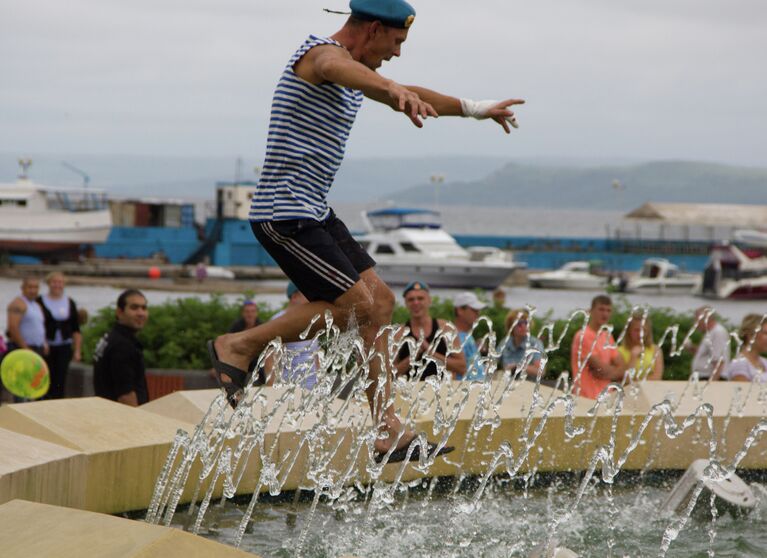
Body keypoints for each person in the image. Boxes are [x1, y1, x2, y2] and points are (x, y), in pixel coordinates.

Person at [208, 0, 522, 461]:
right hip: (284, 215)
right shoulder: (321, 56)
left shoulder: (356, 75)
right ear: (373, 29)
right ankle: (238, 344)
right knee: (355, 306)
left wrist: (475, 108)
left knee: (381, 305)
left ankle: (387, 430)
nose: (396, 54)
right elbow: (338, 65)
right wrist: (391, 87)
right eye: (395, 42)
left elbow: (409, 91)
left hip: (315, 212)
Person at [394, 281, 466, 380]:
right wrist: (412, 357)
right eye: (411, 299)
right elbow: (389, 374)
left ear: (429, 301)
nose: (416, 303)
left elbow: (462, 368)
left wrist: (431, 353)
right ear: (406, 303)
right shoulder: (398, 333)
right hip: (409, 392)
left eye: (420, 298)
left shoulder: (446, 328)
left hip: (442, 391)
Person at [92, 289, 149, 406]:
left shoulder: (110, 337)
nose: (141, 313)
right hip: (120, 418)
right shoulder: (123, 346)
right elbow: (125, 394)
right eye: (134, 308)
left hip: (104, 411)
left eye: (144, 308)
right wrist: (138, 422)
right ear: (119, 312)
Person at [570, 295, 632, 399]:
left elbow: (623, 369)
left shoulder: (607, 335)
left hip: (606, 398)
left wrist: (609, 371)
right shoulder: (583, 336)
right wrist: (613, 371)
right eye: (601, 309)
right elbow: (601, 369)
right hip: (584, 398)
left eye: (608, 310)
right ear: (590, 311)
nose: (605, 314)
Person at [264, 282, 320, 389]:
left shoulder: (312, 321)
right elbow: (270, 360)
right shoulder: (278, 321)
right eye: (307, 295)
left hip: (313, 390)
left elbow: (316, 357)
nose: (311, 299)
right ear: (294, 297)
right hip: (289, 390)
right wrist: (272, 391)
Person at [37, 272, 82, 399]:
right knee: (44, 378)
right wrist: (43, 341)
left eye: (60, 282)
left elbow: (76, 328)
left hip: (64, 345)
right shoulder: (40, 301)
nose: (57, 285)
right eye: (54, 282)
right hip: (47, 346)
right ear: (48, 284)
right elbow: (37, 324)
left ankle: (57, 403)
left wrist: (77, 350)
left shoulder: (69, 302)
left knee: (60, 379)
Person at [5, 277, 47, 357]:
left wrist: (44, 343)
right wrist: (25, 348)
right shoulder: (18, 303)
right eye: (30, 287)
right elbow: (12, 327)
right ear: (22, 288)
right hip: (22, 348)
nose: (33, 290)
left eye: (36, 287)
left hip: (38, 348)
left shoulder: (37, 305)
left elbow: (39, 326)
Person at [226, 300, 264, 385]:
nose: (250, 314)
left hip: (256, 359)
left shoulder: (262, 326)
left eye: (252, 311)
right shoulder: (237, 326)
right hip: (239, 357)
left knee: (263, 368)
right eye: (247, 312)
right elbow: (227, 344)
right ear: (243, 313)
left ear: (256, 313)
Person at [499, 309, 545, 379]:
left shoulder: (535, 344)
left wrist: (518, 366)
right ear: (511, 327)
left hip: (528, 384)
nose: (524, 326)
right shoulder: (505, 342)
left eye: (526, 323)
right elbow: (492, 362)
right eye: (519, 324)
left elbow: (541, 371)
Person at [617, 311, 663, 382]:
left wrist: (637, 382)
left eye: (644, 330)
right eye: (636, 330)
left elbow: (657, 377)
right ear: (629, 331)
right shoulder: (619, 351)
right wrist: (633, 357)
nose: (640, 334)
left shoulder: (655, 350)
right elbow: (626, 379)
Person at [452, 291, 487, 381]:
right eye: (474, 310)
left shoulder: (466, 336)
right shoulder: (453, 337)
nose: (478, 313)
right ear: (460, 310)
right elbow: (452, 371)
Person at [688, 307, 730, 381]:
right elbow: (707, 355)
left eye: (697, 320)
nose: (696, 324)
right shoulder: (710, 333)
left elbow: (718, 361)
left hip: (710, 377)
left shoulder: (718, 332)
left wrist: (712, 384)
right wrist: (691, 348)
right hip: (703, 376)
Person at [722, 314, 767, 383]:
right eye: (765, 333)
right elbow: (742, 392)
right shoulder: (740, 364)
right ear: (750, 335)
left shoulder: (764, 362)